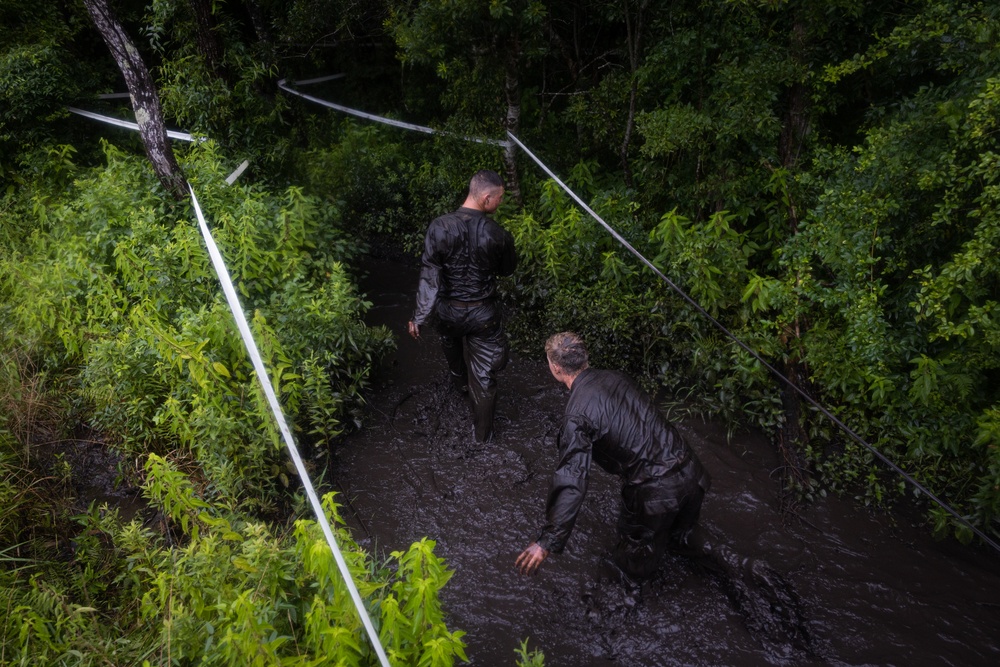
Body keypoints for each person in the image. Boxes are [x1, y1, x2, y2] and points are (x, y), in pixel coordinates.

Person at [516, 332, 711, 581]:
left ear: (555, 367)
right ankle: (740, 565)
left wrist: (548, 540)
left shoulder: (576, 416)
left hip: (655, 492)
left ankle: (630, 598)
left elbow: (572, 478)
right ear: (585, 357)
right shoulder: (616, 377)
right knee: (684, 537)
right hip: (692, 471)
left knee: (630, 561)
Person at [408, 170, 517, 442]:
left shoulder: (439, 226)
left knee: (451, 342)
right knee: (484, 377)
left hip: (448, 311)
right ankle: (482, 438)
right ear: (486, 196)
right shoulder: (498, 234)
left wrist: (419, 316)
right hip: (483, 313)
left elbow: (430, 274)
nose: (500, 203)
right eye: (499, 198)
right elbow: (507, 270)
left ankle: (459, 385)